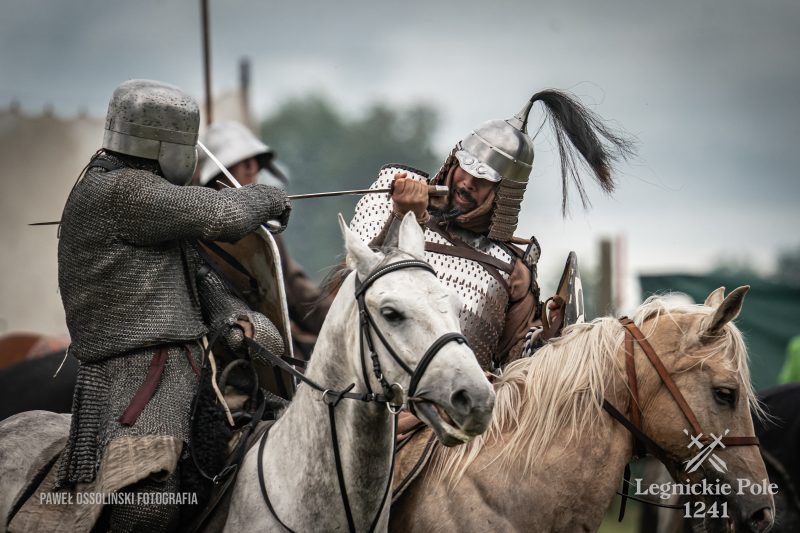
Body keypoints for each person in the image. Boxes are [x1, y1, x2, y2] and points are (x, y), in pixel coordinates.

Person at [44, 80, 290, 532]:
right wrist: (268, 198)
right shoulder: (122, 192)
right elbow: (225, 217)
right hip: (136, 374)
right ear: (164, 143)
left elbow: (193, 275)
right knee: (147, 505)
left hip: (188, 370)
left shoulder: (141, 194)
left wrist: (233, 318)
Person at [349, 89, 633, 372]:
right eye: (465, 168)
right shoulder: (391, 198)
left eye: (483, 179)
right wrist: (403, 216)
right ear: (453, 161)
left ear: (504, 193)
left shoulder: (513, 269)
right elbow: (351, 282)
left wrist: (550, 335)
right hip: (364, 396)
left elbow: (517, 365)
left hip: (456, 411)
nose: (468, 182)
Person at [198, 120, 332, 361]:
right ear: (218, 171)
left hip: (272, 350)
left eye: (256, 161)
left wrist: (341, 318)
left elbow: (295, 291)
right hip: (217, 358)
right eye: (242, 161)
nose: (252, 168)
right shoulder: (197, 233)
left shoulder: (263, 232)